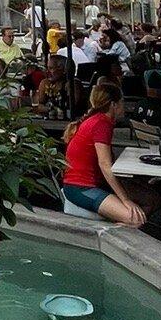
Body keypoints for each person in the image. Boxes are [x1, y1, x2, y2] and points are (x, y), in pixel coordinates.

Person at [61, 83, 146, 227]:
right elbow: (105, 165)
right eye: (122, 102)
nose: (124, 106)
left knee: (151, 199)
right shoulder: (101, 124)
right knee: (135, 219)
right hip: (81, 187)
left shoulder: (98, 120)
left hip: (95, 183)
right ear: (114, 104)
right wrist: (125, 200)